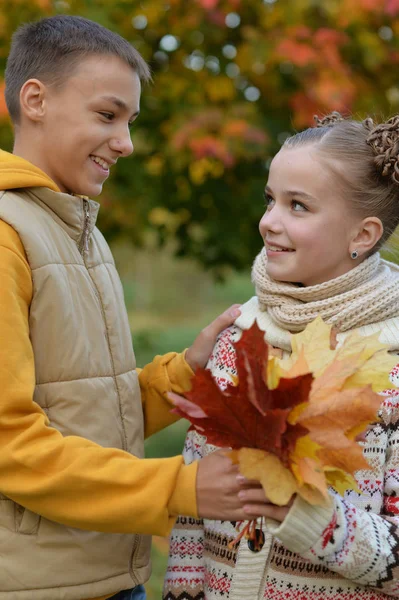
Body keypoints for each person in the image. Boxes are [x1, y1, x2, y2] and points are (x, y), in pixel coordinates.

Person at [0, 14, 270, 600]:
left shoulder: (80, 232)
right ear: (36, 99)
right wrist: (181, 486)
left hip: (109, 574)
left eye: (130, 121)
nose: (126, 142)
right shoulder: (7, 236)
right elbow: (11, 447)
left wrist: (184, 372)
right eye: (107, 115)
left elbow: (84, 409)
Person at [163, 112, 399, 600]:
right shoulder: (238, 339)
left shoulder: (390, 368)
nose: (269, 222)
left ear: (363, 235)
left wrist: (313, 519)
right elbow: (192, 516)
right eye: (271, 200)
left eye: (298, 206)